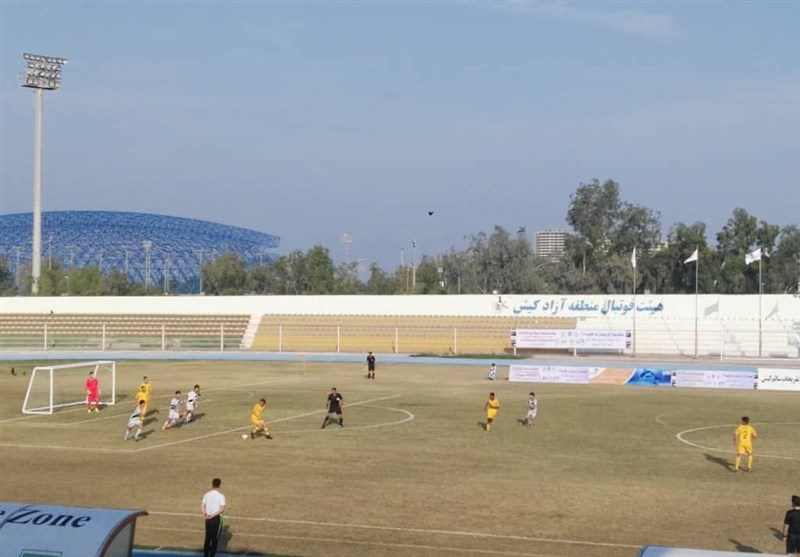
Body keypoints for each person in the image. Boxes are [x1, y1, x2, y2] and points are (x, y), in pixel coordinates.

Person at [202, 477, 226, 557]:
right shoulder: (221, 496)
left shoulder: (207, 494)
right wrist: (213, 515)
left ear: (212, 484)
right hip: (216, 519)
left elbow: (203, 505)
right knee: (215, 539)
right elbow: (222, 509)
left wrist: (206, 514)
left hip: (207, 519)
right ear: (219, 485)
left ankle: (205, 555)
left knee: (207, 537)